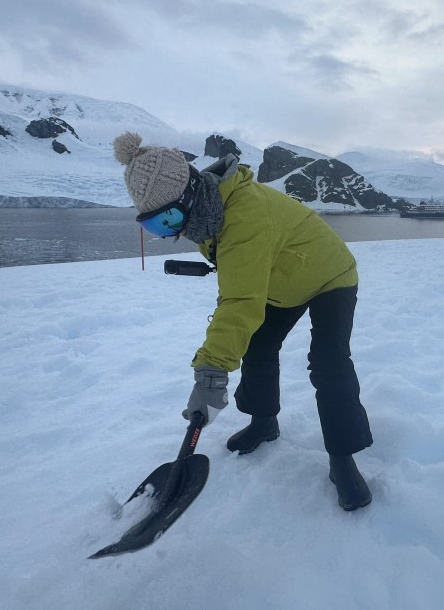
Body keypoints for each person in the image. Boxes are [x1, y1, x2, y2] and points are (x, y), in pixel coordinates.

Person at [113, 132, 374, 511]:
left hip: (329, 275)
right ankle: (264, 422)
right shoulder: (207, 210)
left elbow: (240, 302)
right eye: (155, 225)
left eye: (169, 218)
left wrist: (211, 373)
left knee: (329, 364)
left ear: (189, 194)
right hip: (280, 279)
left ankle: (342, 459)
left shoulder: (243, 213)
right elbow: (238, 277)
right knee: (257, 345)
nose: (172, 233)